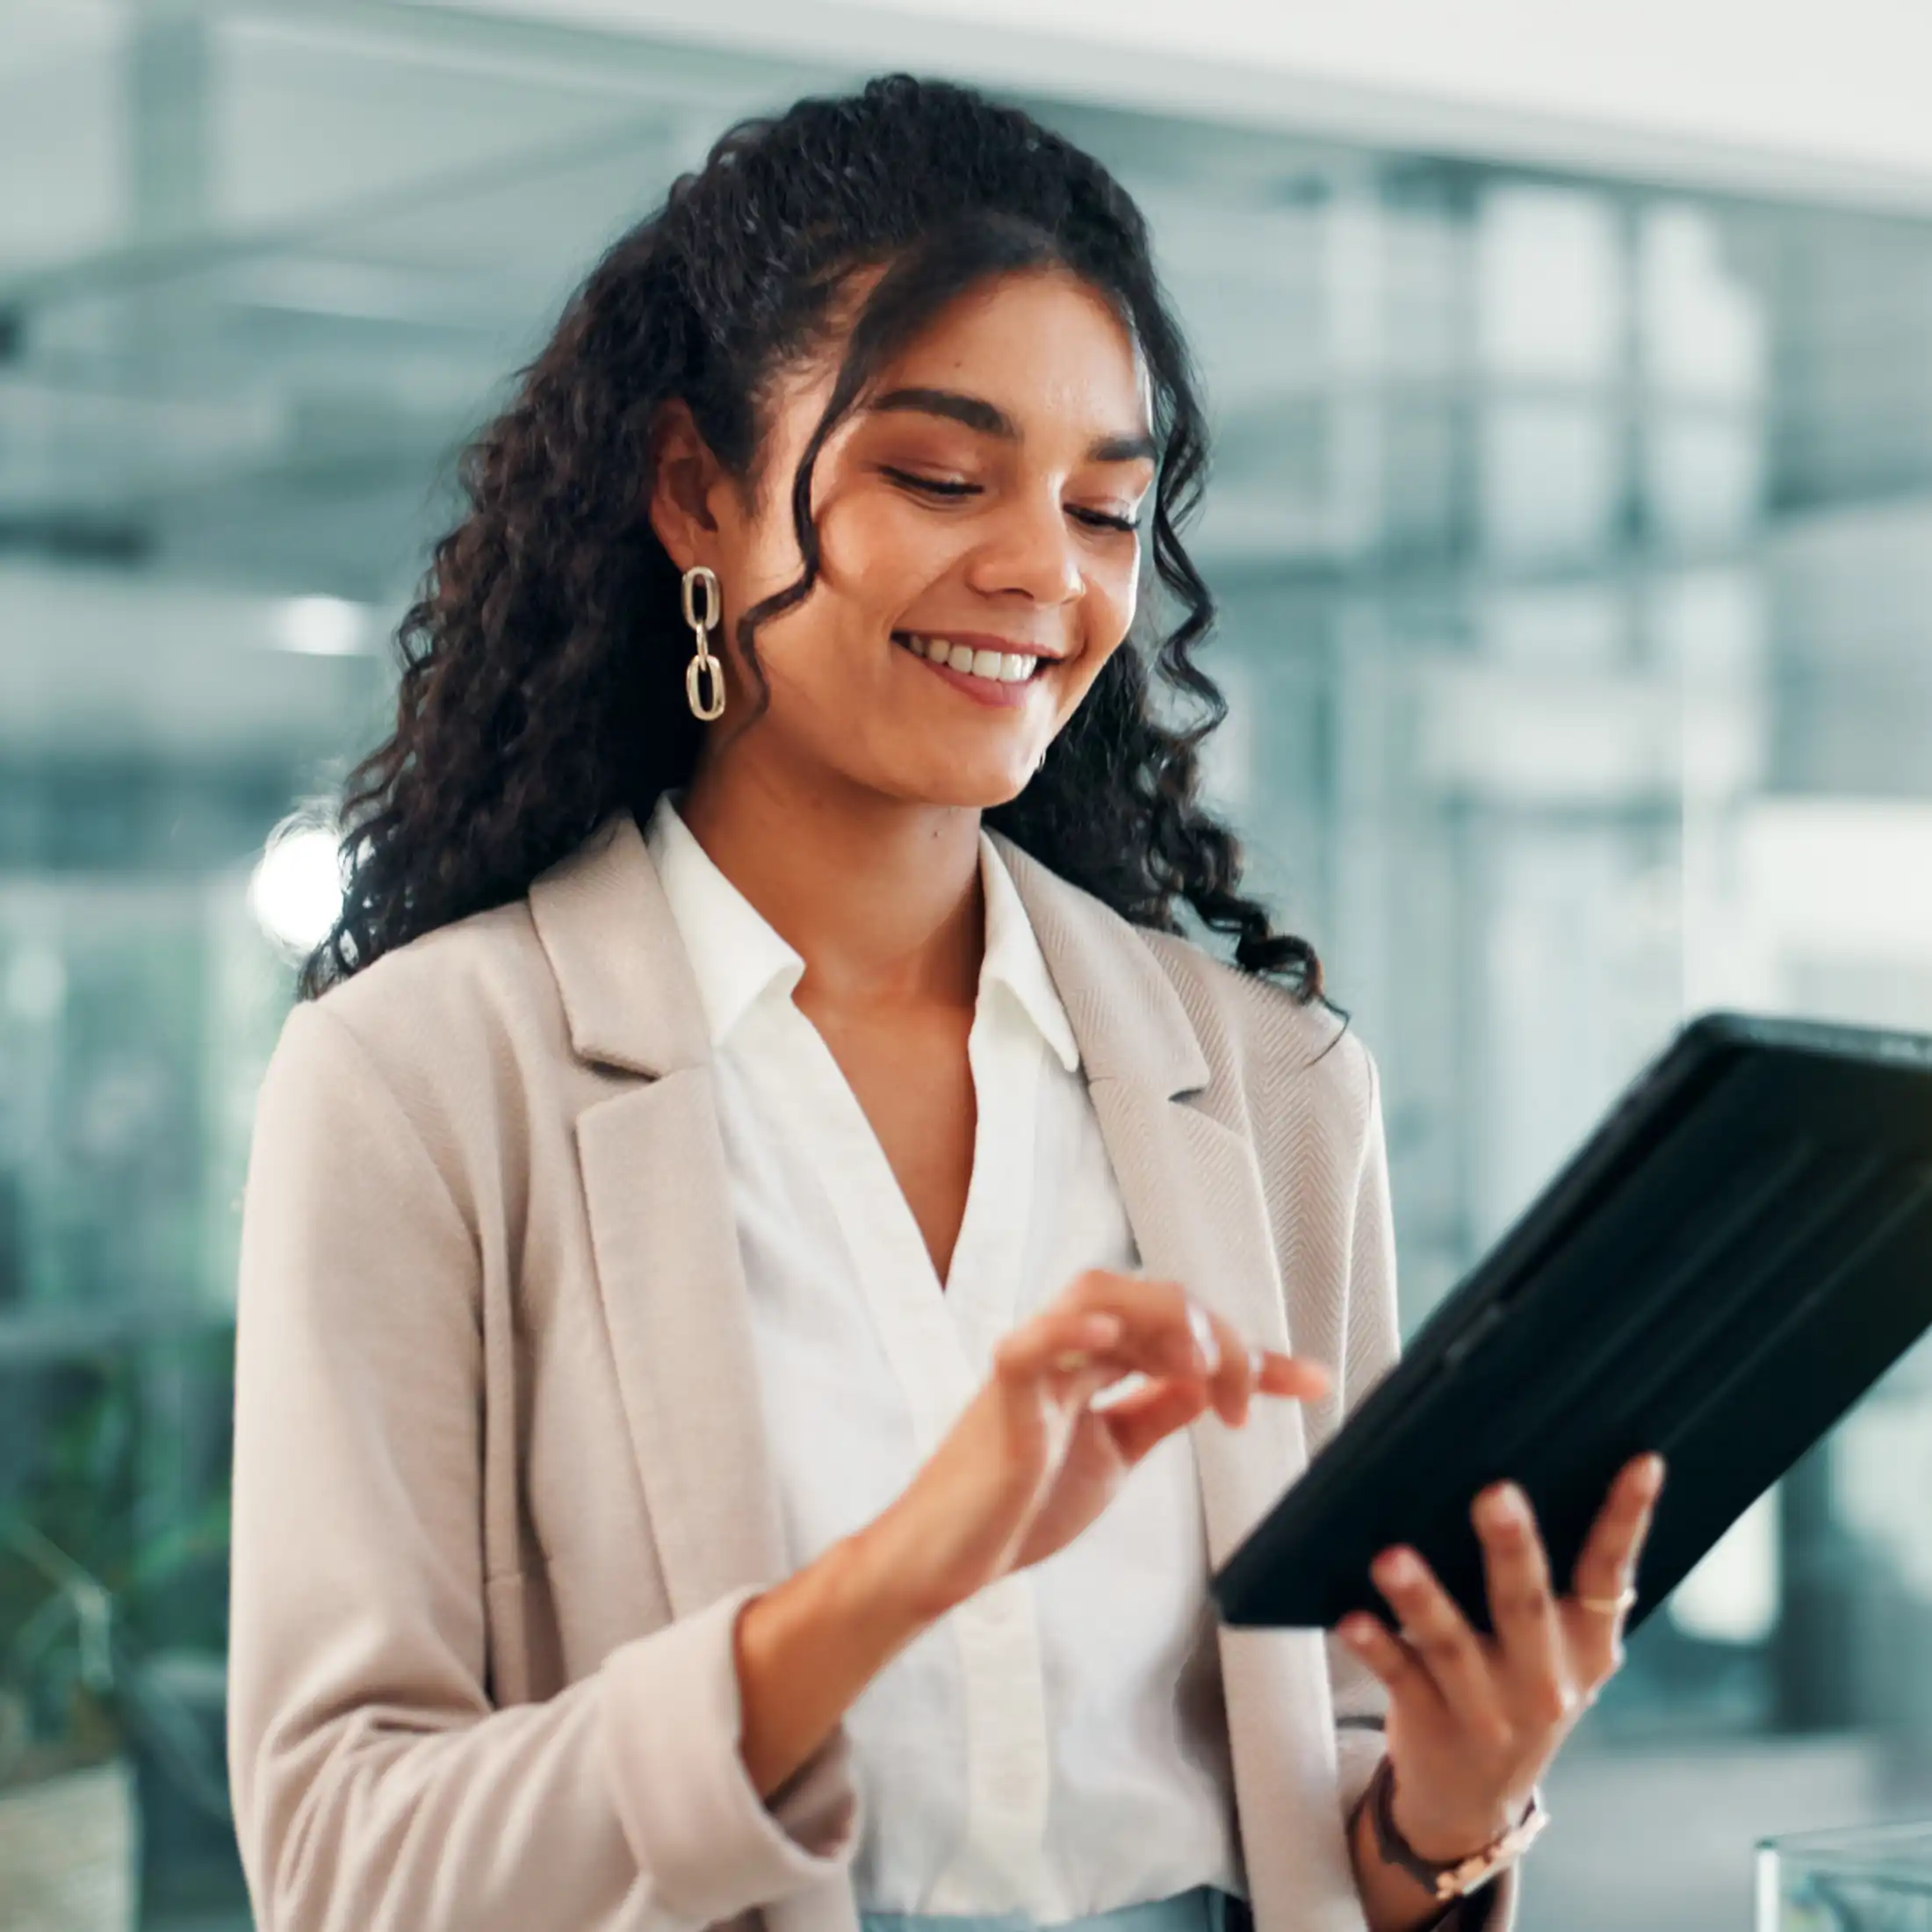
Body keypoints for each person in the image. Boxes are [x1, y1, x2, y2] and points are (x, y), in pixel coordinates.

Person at [226, 72, 1663, 1932]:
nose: (1039, 574)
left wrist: (1443, 1818)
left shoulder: (1275, 1090)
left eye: (1102, 507)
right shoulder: (422, 1079)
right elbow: (348, 1864)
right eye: (936, 473)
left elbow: (1338, 1831)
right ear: (694, 489)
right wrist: (897, 1569)